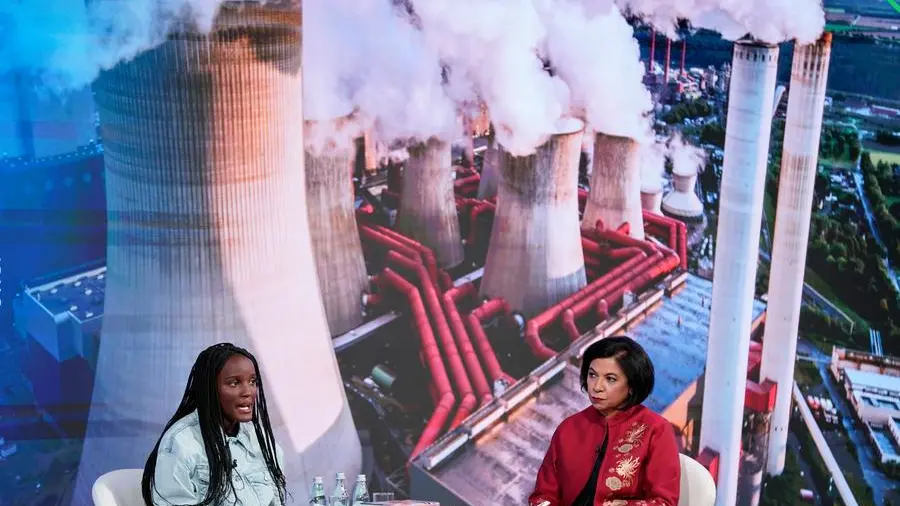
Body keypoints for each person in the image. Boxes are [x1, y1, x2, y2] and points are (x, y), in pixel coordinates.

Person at [529, 336, 681, 506]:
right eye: (592, 375)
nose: (597, 387)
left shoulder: (656, 430)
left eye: (610, 379)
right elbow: (544, 494)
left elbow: (663, 502)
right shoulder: (569, 428)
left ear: (632, 386)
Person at [141, 343, 287, 506]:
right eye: (234, 383)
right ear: (209, 388)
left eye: (253, 381)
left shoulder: (261, 441)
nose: (248, 392)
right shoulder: (181, 442)